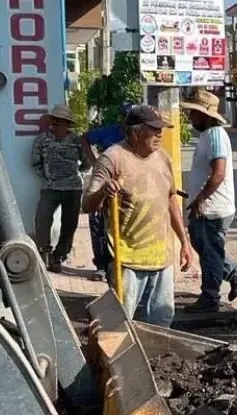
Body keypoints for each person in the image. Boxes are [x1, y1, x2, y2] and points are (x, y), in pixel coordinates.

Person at [82, 105, 193, 327]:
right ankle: (116, 361)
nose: (160, 134)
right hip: (127, 260)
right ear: (135, 132)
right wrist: (104, 192)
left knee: (162, 321)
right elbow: (87, 204)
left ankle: (158, 360)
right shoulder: (112, 158)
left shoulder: (162, 158)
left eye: (160, 129)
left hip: (162, 257)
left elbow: (171, 200)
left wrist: (184, 242)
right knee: (120, 324)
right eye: (154, 129)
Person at [183, 90, 237, 313]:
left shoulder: (214, 135)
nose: (190, 117)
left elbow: (218, 173)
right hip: (206, 207)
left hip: (212, 208)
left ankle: (210, 298)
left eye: (194, 112)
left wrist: (201, 199)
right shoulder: (207, 135)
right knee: (206, 249)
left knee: (210, 253)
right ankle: (234, 274)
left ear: (205, 115)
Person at [32, 104, 89, 273]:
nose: (57, 126)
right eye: (55, 123)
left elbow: (86, 163)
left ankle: (60, 255)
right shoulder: (42, 140)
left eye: (61, 123)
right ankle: (45, 252)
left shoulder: (76, 141)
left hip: (72, 189)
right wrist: (47, 177)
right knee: (42, 218)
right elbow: (35, 163)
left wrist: (74, 175)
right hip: (50, 188)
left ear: (67, 124)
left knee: (70, 224)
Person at [81, 104, 133, 282]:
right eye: (126, 117)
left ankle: (119, 262)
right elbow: (85, 138)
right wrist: (94, 161)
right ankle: (102, 265)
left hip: (126, 187)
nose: (128, 122)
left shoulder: (138, 136)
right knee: (98, 223)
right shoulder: (110, 131)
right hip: (104, 183)